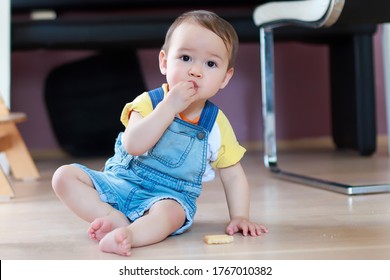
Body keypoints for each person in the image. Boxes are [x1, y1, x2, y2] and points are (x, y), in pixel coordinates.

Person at [52, 10, 268, 257]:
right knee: (64, 176)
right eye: (185, 58)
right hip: (120, 183)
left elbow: (233, 175)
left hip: (168, 197)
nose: (196, 71)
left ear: (225, 78)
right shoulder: (148, 103)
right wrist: (169, 107)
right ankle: (113, 218)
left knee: (172, 214)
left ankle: (130, 236)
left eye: (210, 64)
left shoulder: (215, 124)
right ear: (164, 62)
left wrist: (240, 216)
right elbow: (134, 145)